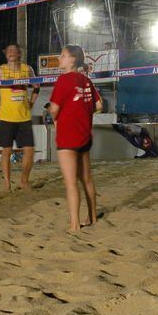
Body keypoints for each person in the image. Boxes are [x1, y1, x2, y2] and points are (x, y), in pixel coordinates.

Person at [49, 45, 102, 233]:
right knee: (87, 179)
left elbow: (54, 109)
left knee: (71, 183)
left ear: (72, 60)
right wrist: (81, 113)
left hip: (68, 137)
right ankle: (93, 217)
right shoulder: (85, 80)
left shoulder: (64, 80)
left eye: (63, 55)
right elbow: (98, 105)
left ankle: (74, 226)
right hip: (85, 135)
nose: (59, 58)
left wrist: (55, 117)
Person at [0, 42, 40, 190]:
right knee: (6, 152)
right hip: (5, 117)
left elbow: (37, 87)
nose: (11, 52)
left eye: (14, 50)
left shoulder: (27, 69)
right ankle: (7, 184)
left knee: (29, 151)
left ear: (19, 53)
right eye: (8, 50)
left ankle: (24, 181)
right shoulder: (0, 71)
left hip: (24, 117)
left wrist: (32, 102)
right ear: (5, 54)